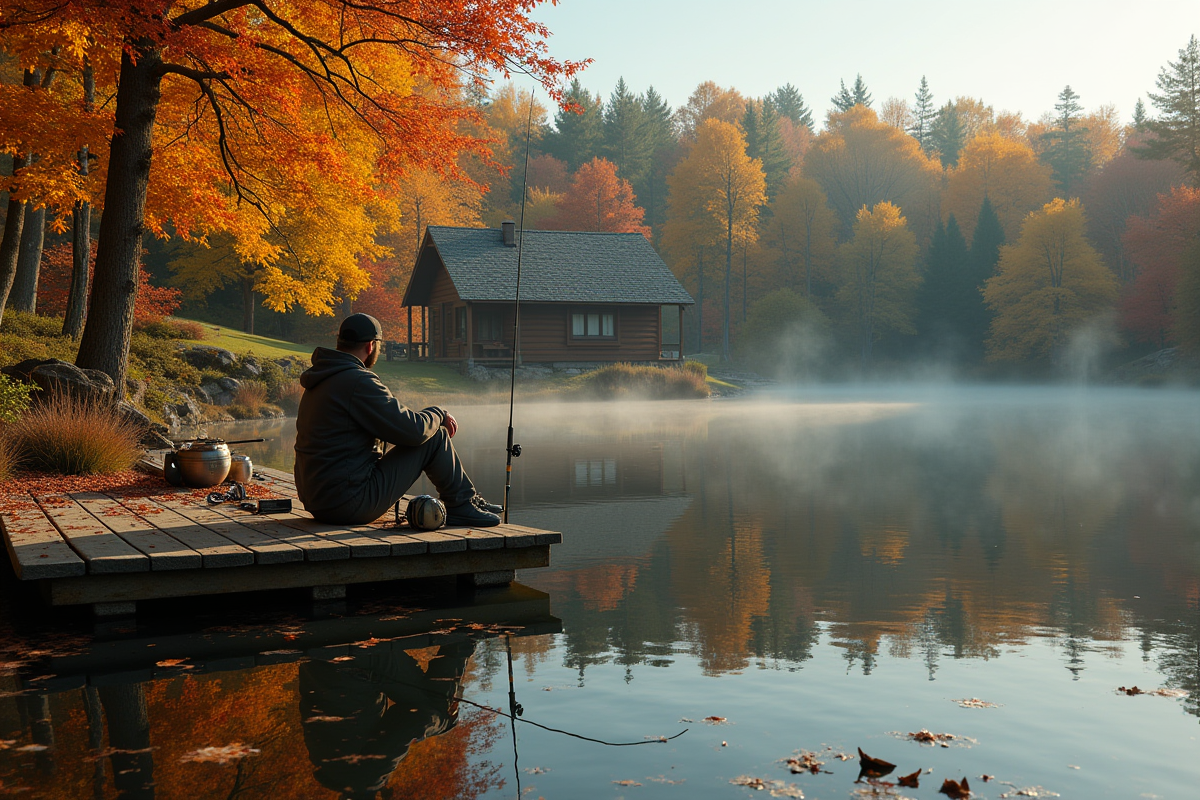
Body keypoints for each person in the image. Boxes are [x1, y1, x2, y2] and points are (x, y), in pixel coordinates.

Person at [294, 313, 502, 527]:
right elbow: (413, 431)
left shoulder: (323, 379)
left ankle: (467, 500)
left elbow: (397, 428)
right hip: (348, 504)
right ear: (371, 346)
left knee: (426, 433)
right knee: (435, 437)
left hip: (319, 501)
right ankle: (461, 506)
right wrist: (439, 413)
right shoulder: (357, 381)